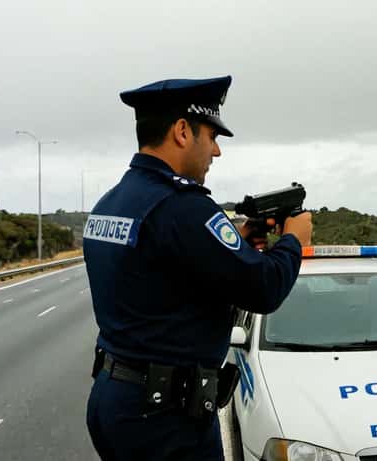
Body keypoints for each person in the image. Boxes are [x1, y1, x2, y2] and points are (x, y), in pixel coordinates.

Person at [83, 75, 312, 461]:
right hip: (164, 420)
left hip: (116, 399)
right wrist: (293, 240)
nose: (216, 151)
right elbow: (264, 288)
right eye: (212, 136)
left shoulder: (112, 202)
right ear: (182, 131)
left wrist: (236, 241)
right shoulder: (183, 207)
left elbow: (163, 276)